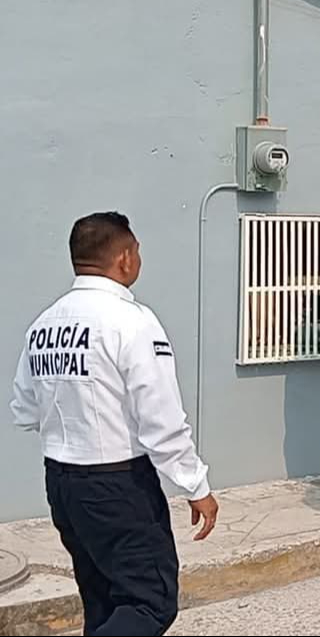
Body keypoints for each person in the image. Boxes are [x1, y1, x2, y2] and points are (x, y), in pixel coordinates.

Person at [10, 212, 218, 635]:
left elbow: (24, 409)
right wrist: (195, 485)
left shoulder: (44, 324)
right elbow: (161, 419)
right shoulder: (132, 321)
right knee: (149, 602)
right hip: (118, 483)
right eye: (137, 250)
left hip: (63, 483)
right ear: (124, 258)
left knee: (103, 598)